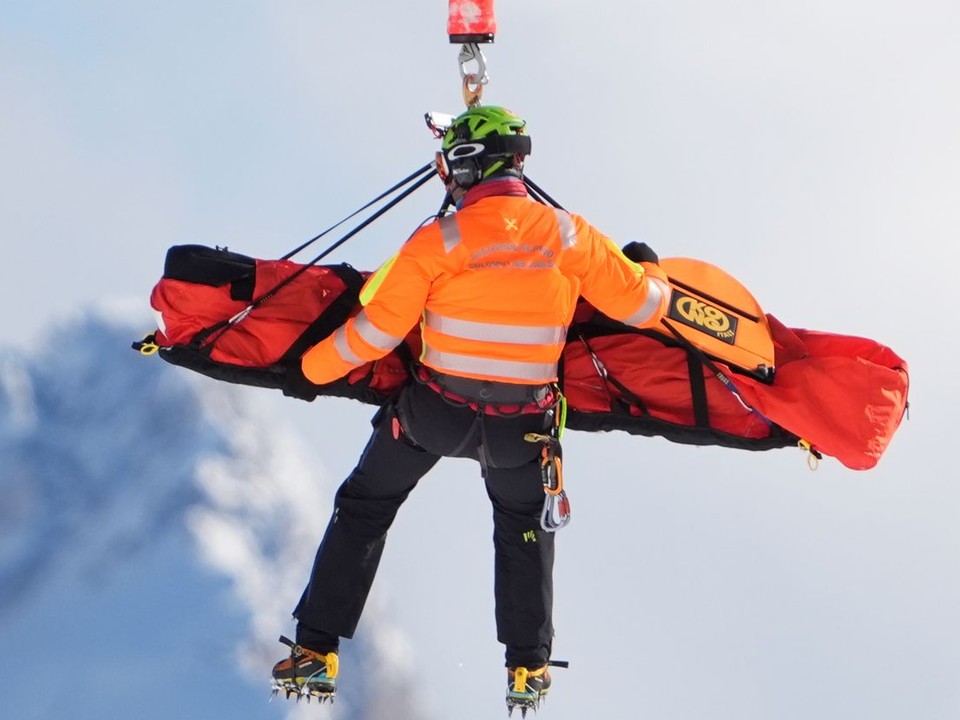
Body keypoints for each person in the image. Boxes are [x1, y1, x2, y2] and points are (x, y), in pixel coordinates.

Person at [271, 105, 672, 712]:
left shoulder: (439, 240)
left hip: (435, 413)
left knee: (365, 507)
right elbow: (647, 308)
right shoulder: (569, 235)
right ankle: (527, 669)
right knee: (523, 530)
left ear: (463, 166)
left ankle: (315, 652)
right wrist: (647, 267)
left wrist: (307, 370)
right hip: (522, 431)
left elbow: (374, 335)